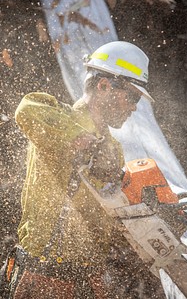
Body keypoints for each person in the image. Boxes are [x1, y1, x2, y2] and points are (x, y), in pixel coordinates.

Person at [1, 41, 154, 298]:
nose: (134, 107)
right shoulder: (58, 118)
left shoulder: (114, 148)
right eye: (132, 96)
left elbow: (108, 214)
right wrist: (83, 142)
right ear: (104, 86)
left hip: (88, 278)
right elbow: (26, 110)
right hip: (44, 272)